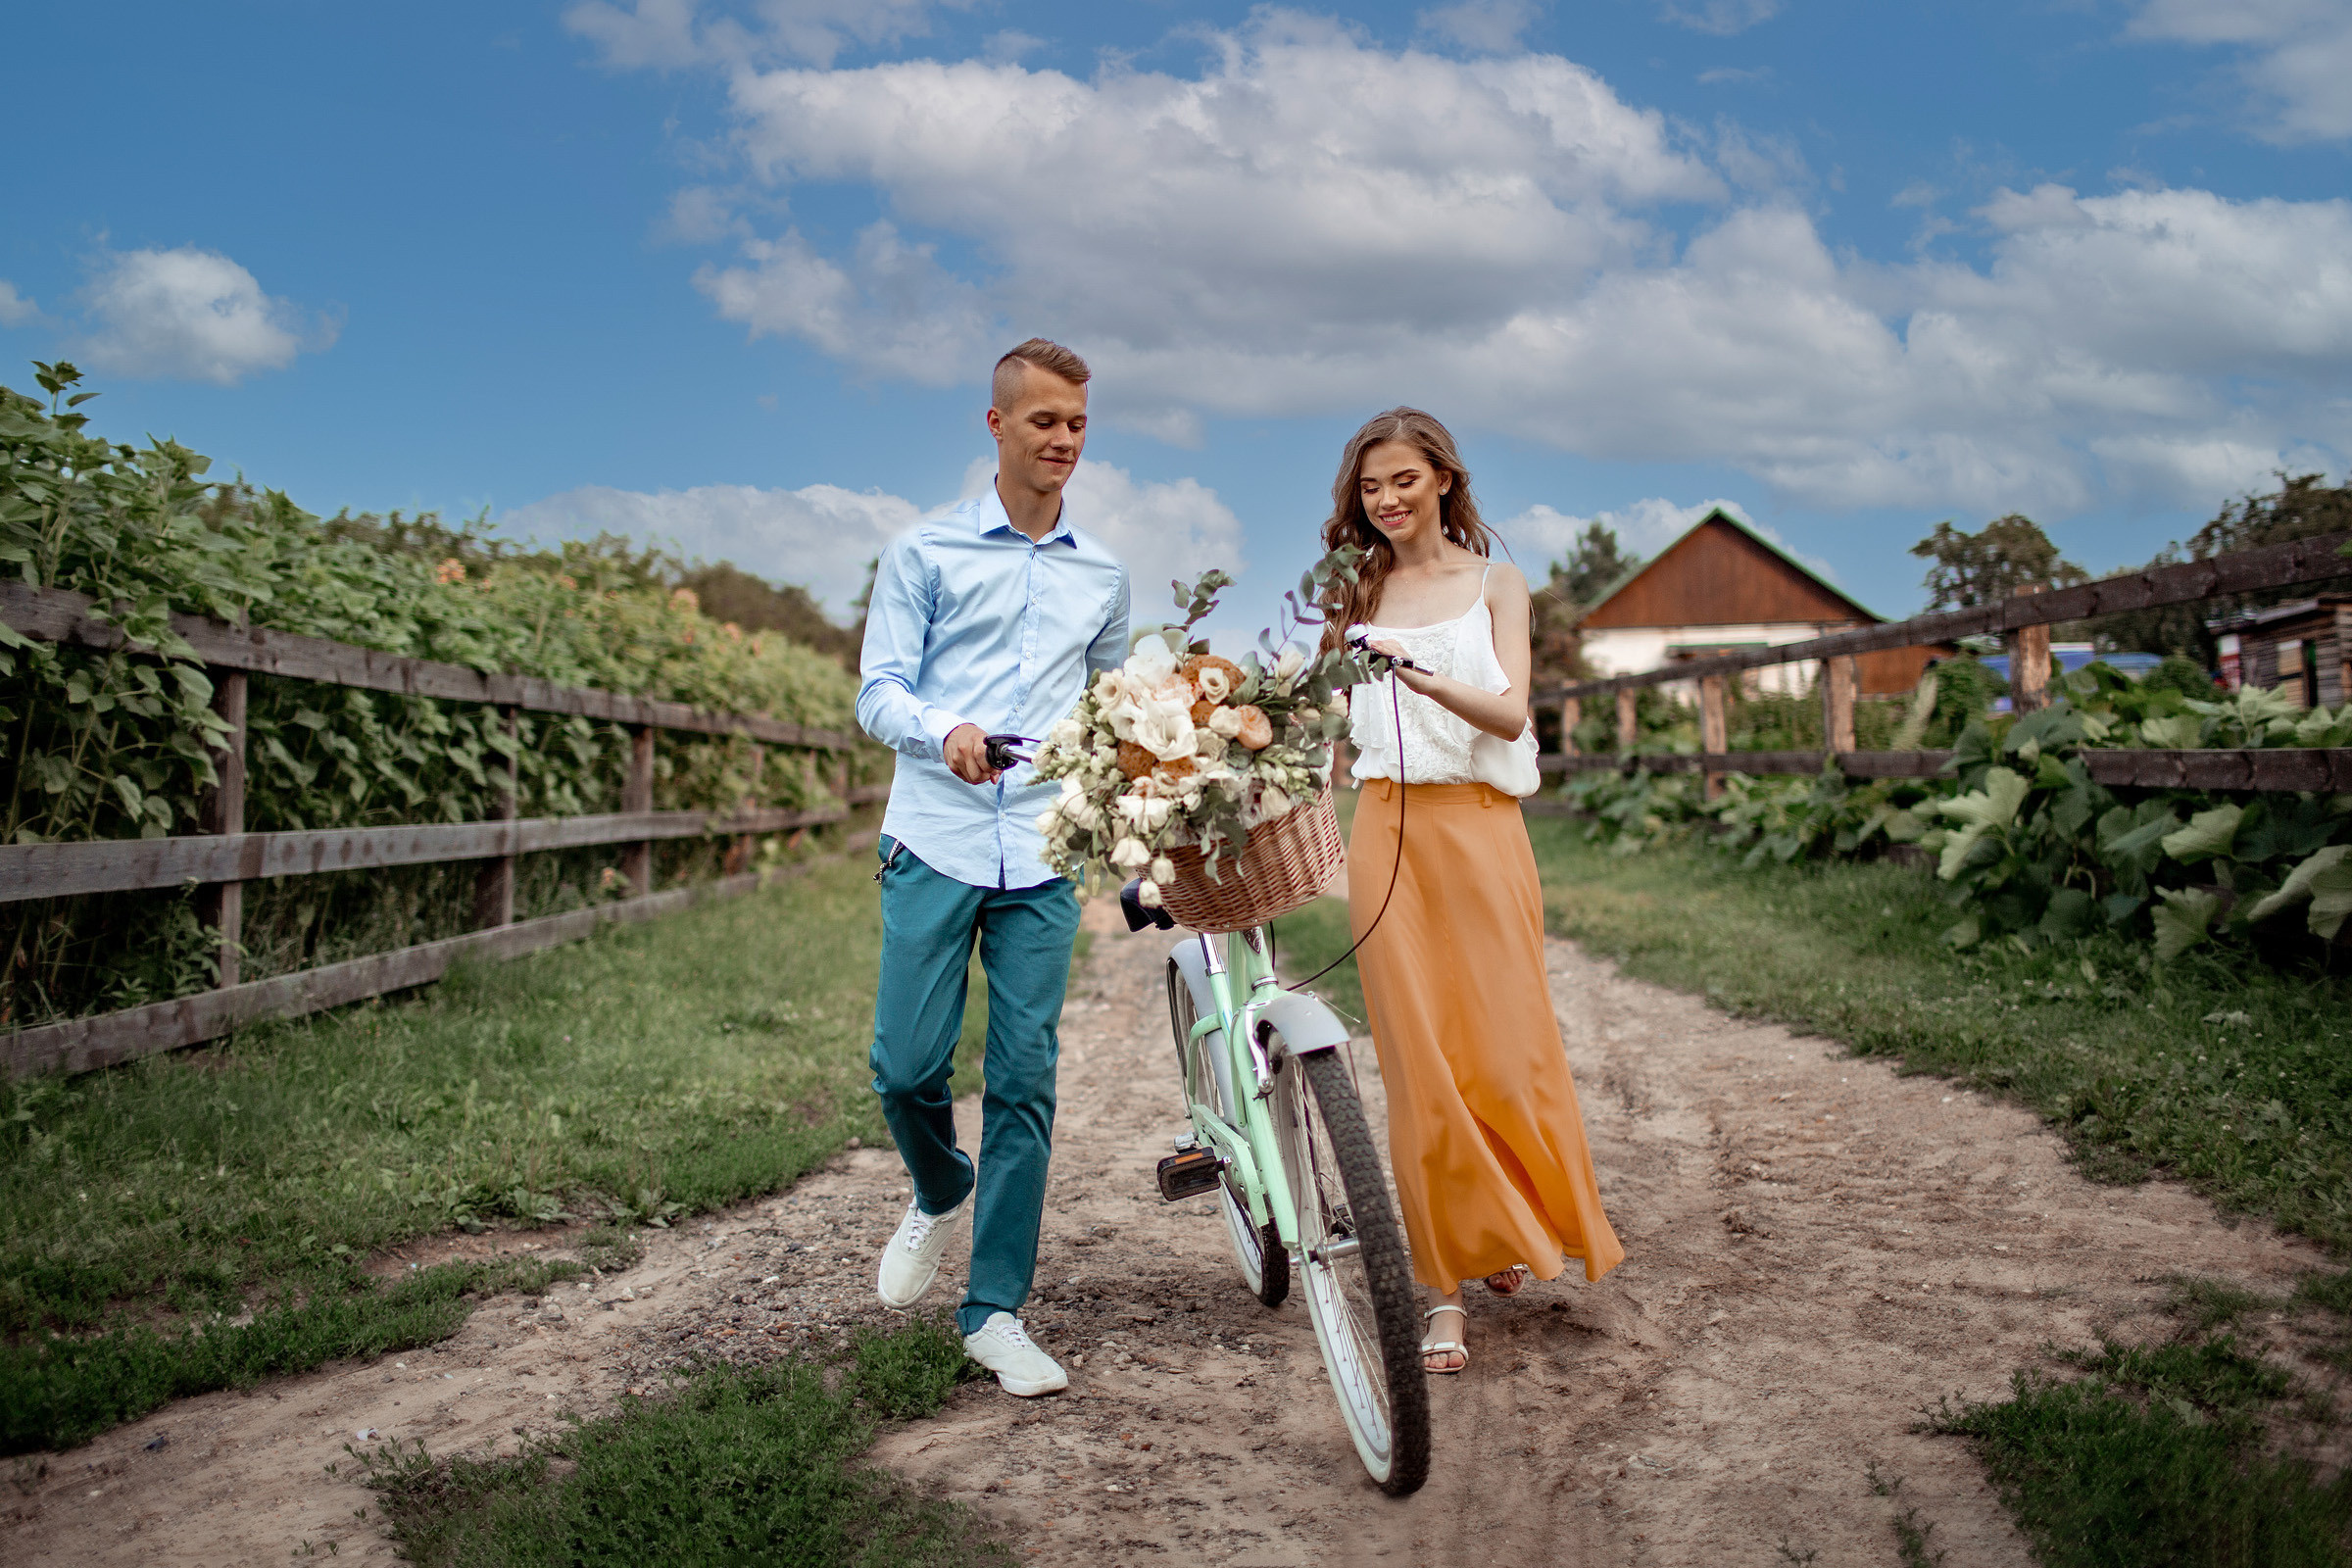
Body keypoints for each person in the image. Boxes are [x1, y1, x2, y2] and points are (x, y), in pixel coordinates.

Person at [1321, 407, 1625, 1374]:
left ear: (1443, 479)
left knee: (1502, 1046)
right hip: (1386, 834)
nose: (1387, 500)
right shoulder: (1355, 588)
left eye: (1403, 480)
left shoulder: (1497, 582)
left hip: (1483, 830)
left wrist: (1419, 674)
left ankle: (1509, 1220)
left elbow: (1509, 707)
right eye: (1371, 488)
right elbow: (1331, 733)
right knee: (1418, 1063)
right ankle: (1444, 1291)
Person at [857, 338, 1130, 1396]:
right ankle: (939, 1182)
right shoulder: (924, 553)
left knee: (1025, 1079)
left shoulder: (1102, 574)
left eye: (1076, 425)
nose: (1062, 440)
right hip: (935, 834)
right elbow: (878, 690)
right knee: (907, 1065)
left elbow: (1107, 709)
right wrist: (944, 728)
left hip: (1045, 855)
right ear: (997, 425)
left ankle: (995, 1311)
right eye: (1043, 422)